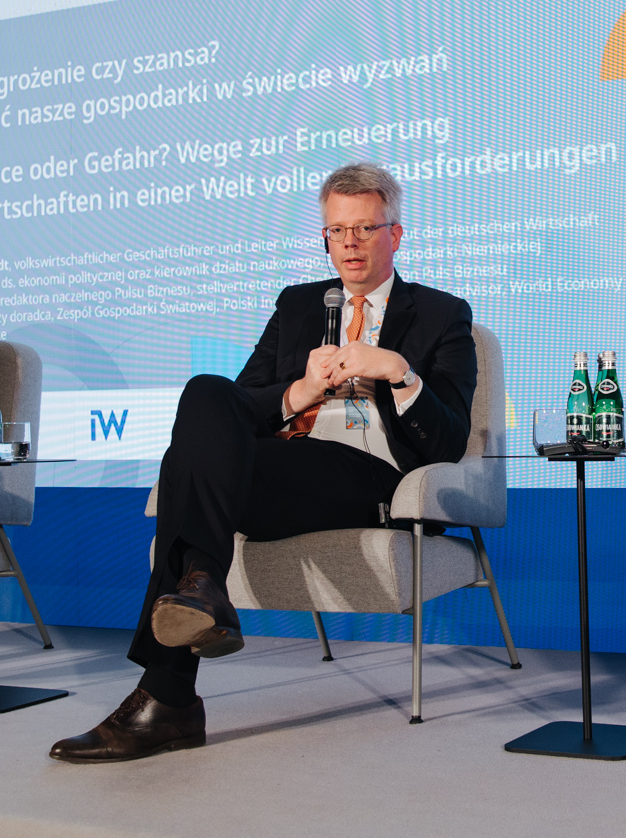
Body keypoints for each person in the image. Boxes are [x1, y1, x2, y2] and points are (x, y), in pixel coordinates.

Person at [51, 163, 475, 763]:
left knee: (183, 471)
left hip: (367, 477)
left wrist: (400, 374)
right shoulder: (298, 305)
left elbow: (449, 442)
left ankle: (168, 695)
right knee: (205, 392)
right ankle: (202, 590)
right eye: (336, 230)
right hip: (286, 468)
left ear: (395, 234)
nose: (349, 243)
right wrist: (301, 391)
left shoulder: (441, 313)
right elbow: (238, 408)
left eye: (365, 228)